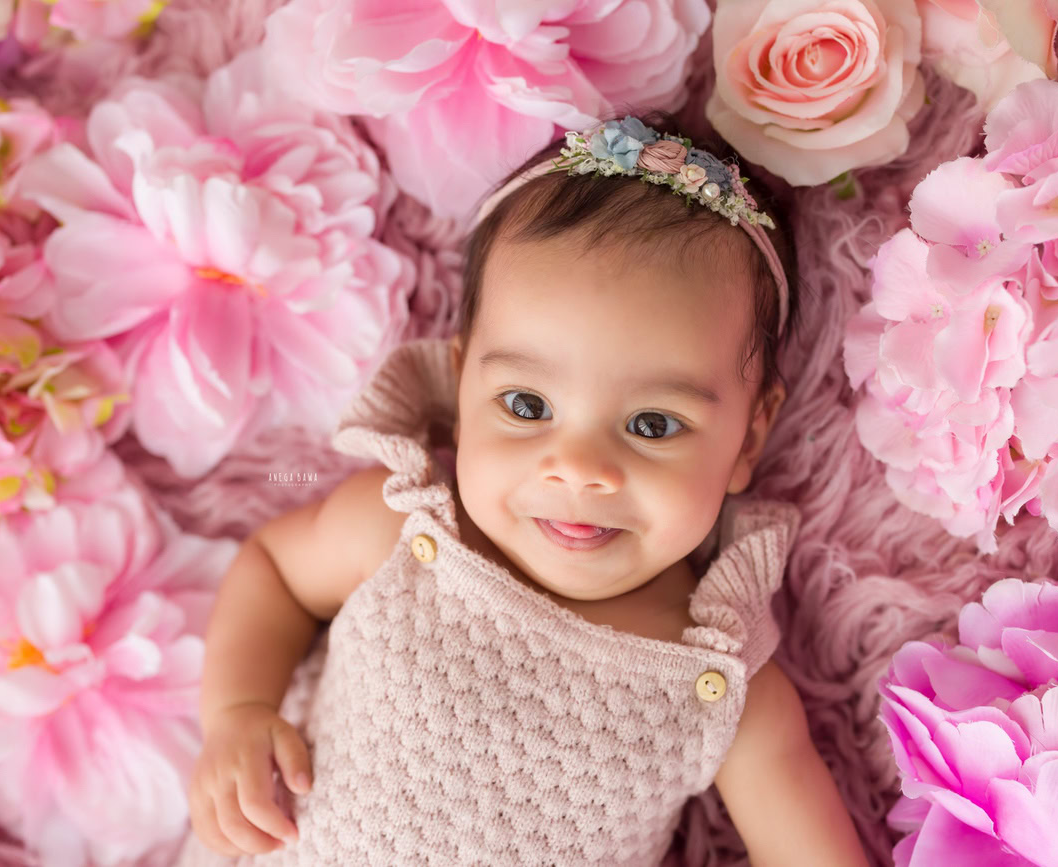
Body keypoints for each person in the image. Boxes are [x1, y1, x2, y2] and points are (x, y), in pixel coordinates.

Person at [178, 110, 870, 866]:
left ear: (750, 434)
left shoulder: (721, 685)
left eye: (652, 424)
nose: (578, 470)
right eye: (528, 406)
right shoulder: (403, 536)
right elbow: (274, 570)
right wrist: (238, 712)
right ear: (463, 375)